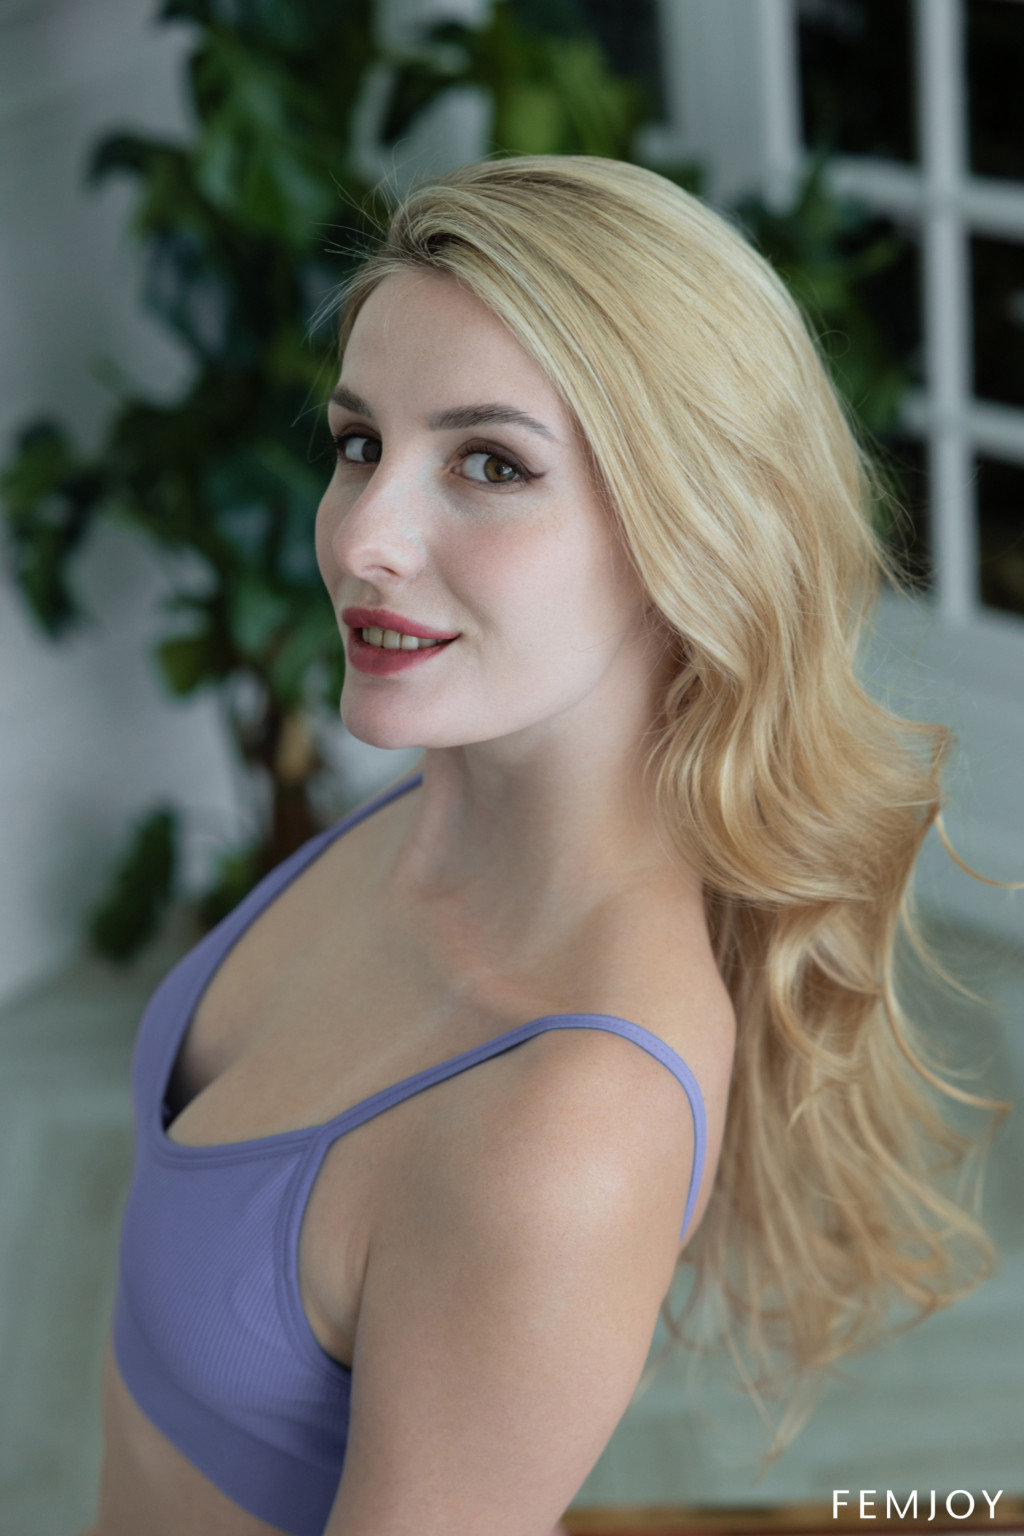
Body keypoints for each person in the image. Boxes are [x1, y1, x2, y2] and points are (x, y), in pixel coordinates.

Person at [83, 155, 1003, 1536]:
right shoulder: (434, 808)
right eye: (359, 443)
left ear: (694, 532)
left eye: (492, 463)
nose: (363, 537)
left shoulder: (563, 1138)